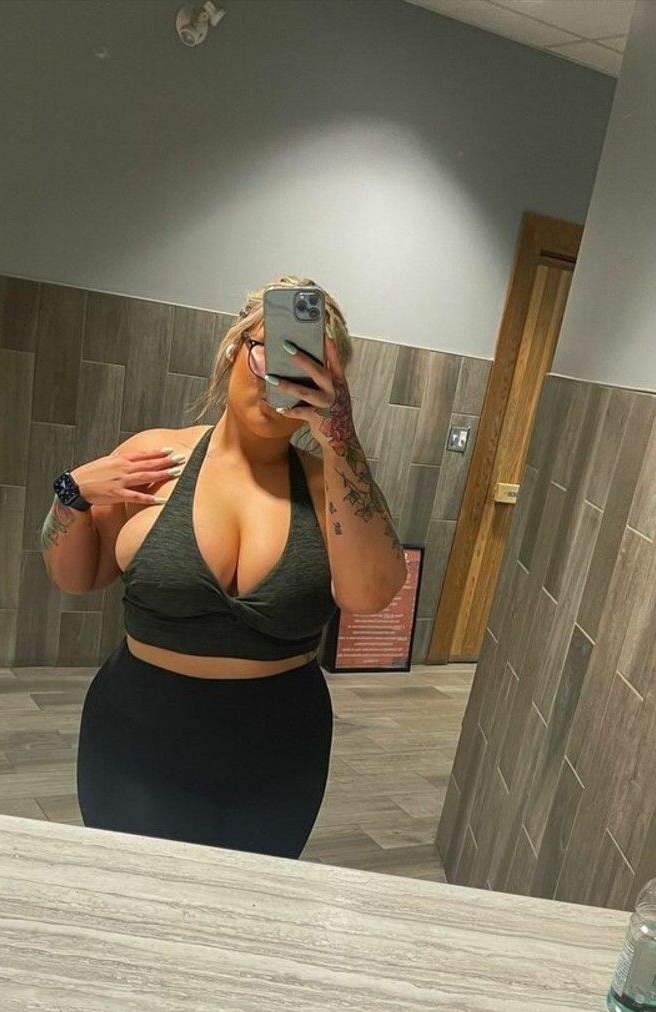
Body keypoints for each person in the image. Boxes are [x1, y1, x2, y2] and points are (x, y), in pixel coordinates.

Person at [41, 277, 406, 859]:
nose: (284, 376)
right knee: (126, 893)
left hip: (279, 750)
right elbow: (75, 576)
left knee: (248, 903)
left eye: (311, 365)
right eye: (269, 351)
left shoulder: (330, 486)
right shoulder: (156, 456)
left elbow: (370, 596)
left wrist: (340, 436)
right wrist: (71, 494)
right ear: (235, 349)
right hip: (135, 734)